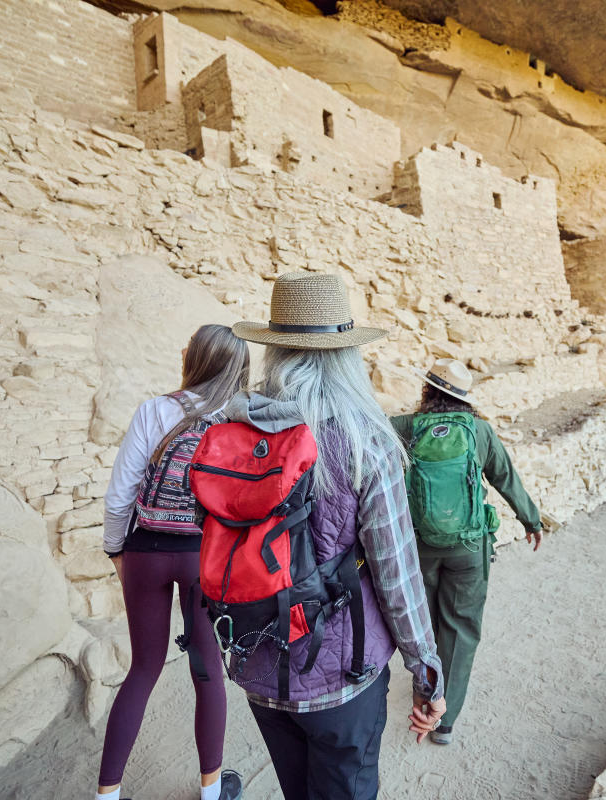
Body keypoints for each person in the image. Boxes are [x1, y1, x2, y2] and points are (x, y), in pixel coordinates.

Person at [226, 270, 446, 800]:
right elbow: (397, 572)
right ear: (346, 354)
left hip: (259, 662)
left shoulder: (233, 430)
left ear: (275, 349)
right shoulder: (364, 440)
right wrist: (427, 670)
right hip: (340, 675)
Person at [96, 324, 249, 800]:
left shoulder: (155, 410)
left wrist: (116, 551)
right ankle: (210, 791)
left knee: (143, 668)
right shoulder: (241, 421)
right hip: (205, 558)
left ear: (192, 358)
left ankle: (106, 795)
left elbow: (120, 495)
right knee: (207, 670)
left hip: (146, 550)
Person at [391, 358, 544, 745]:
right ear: (463, 397)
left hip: (419, 545)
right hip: (468, 548)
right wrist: (531, 520)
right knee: (460, 630)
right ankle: (444, 720)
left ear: (428, 390)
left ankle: (423, 700)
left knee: (423, 628)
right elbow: (505, 476)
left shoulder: (404, 428)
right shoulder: (479, 430)